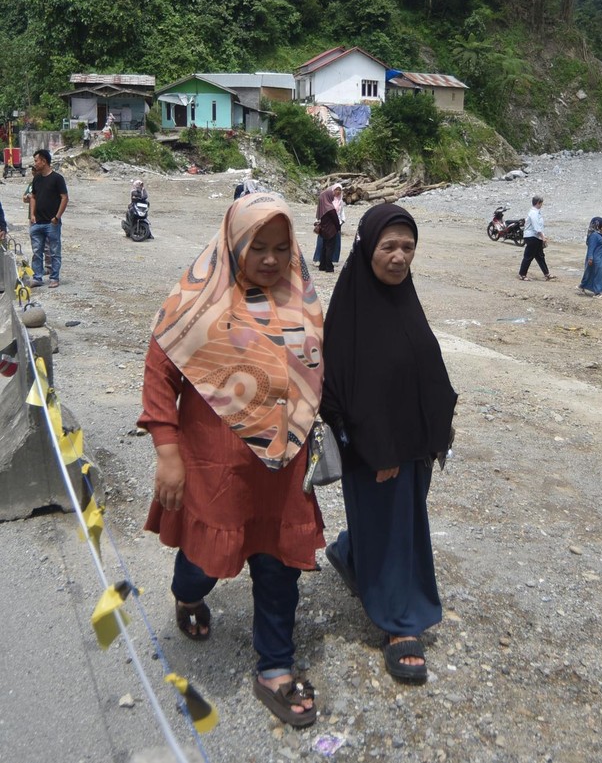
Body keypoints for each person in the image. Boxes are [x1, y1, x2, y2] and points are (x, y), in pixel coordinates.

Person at [138, 192, 325, 728]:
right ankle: (186, 593)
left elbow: (317, 372)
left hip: (283, 468)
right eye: (257, 246)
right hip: (216, 464)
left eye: (281, 248)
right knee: (203, 561)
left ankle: (275, 667)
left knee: (279, 564)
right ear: (232, 243)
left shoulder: (302, 300)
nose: (270, 259)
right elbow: (159, 374)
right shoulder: (197, 300)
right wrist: (167, 452)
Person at [320, 204, 457, 684]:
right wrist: (378, 448)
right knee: (399, 533)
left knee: (396, 522)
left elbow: (423, 371)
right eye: (389, 247)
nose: (399, 257)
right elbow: (337, 393)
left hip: (413, 446)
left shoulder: (405, 300)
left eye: (408, 247)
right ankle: (402, 623)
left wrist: (436, 431)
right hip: (375, 451)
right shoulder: (351, 310)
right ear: (366, 248)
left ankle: (351, 553)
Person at [29, 149, 68, 289]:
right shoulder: (37, 178)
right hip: (37, 222)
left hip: (52, 223)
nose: (35, 164)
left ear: (44, 161)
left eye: (36, 161)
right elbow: (33, 197)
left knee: (54, 252)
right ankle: (37, 277)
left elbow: (64, 198)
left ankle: (54, 278)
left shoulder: (57, 179)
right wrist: (32, 215)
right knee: (36, 252)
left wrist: (57, 217)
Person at [518, 196, 556, 281]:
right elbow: (536, 227)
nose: (542, 205)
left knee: (540, 256)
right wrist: (543, 237)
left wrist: (542, 236)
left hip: (535, 236)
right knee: (528, 256)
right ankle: (522, 274)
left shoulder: (535, 212)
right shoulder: (534, 213)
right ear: (538, 203)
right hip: (532, 236)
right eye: (541, 203)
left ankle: (546, 273)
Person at [577, 216, 602, 299]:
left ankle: (582, 286)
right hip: (595, 259)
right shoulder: (594, 236)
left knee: (589, 273)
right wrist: (590, 258)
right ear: (598, 225)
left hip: (600, 258)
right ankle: (597, 293)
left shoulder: (600, 234)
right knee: (598, 275)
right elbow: (591, 248)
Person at [313, 183, 345, 264]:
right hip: (326, 224)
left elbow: (341, 212)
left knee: (335, 243)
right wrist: (317, 220)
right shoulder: (327, 199)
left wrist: (342, 221)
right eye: (336, 190)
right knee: (322, 242)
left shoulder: (340, 201)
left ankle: (333, 260)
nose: (338, 192)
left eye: (339, 190)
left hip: (336, 223)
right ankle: (318, 259)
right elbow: (320, 211)